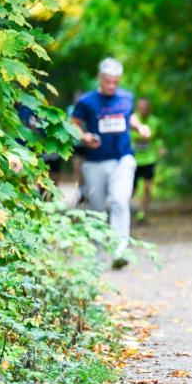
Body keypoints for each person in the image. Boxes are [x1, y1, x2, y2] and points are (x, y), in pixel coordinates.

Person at [70, 58, 150, 269]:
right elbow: (74, 124)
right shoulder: (87, 101)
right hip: (95, 162)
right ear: (100, 78)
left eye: (115, 82)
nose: (111, 86)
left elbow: (129, 117)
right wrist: (85, 136)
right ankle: (96, 257)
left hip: (122, 159)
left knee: (119, 201)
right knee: (97, 210)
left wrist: (139, 127)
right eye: (108, 81)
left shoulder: (126, 97)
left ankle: (119, 252)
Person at [130, 97, 164, 224]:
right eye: (140, 107)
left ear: (149, 108)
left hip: (149, 159)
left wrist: (160, 147)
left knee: (147, 187)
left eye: (145, 107)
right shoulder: (132, 120)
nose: (143, 110)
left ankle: (142, 212)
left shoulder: (155, 121)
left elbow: (159, 138)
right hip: (134, 159)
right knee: (131, 190)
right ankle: (123, 212)